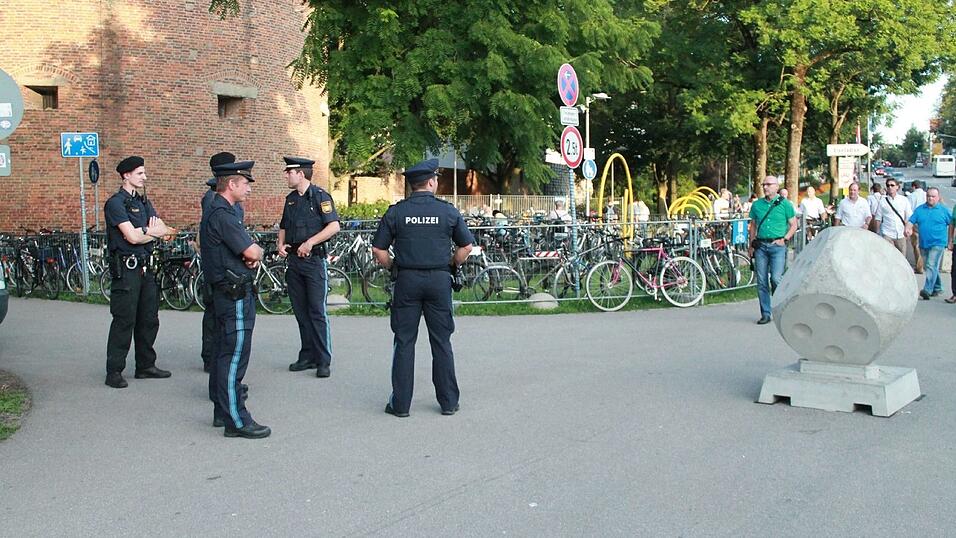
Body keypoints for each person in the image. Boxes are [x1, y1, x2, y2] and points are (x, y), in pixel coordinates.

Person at [371, 158, 474, 418]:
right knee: (441, 342)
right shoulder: (448, 211)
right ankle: (449, 402)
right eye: (436, 179)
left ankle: (401, 405)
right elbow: (466, 247)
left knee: (404, 341)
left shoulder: (396, 211)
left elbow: (378, 249)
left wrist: (393, 266)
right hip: (439, 281)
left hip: (406, 281)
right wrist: (451, 263)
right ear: (431, 182)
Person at [200, 160, 270, 438]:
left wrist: (246, 254)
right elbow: (253, 252)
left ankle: (222, 410)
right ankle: (236, 420)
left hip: (224, 290)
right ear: (231, 184)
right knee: (233, 356)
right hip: (234, 294)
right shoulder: (224, 214)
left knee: (222, 353)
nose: (248, 189)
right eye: (245, 184)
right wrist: (255, 254)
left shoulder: (215, 209)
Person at [103, 156, 174, 389]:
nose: (145, 177)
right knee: (124, 320)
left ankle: (145, 365)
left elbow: (164, 229)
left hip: (146, 267)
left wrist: (147, 231)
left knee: (149, 319)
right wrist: (150, 231)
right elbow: (132, 237)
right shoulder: (116, 204)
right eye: (140, 173)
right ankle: (114, 371)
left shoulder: (144, 203)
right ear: (126, 175)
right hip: (126, 269)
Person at [278, 156, 341, 377]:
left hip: (313, 261)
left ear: (301, 174)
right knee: (301, 312)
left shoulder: (320, 196)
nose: (286, 175)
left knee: (317, 312)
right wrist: (280, 243)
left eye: (289, 171)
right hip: (294, 261)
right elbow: (284, 225)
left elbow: (333, 226)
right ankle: (307, 355)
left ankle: (323, 360)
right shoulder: (291, 199)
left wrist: (310, 242)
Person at [199, 152, 241, 374]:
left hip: (226, 264)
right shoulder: (214, 199)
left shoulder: (224, 198)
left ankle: (216, 359)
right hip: (219, 266)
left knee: (220, 316)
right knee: (215, 314)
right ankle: (211, 358)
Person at [748, 175, 797, 325]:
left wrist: (785, 239)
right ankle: (766, 313)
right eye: (764, 184)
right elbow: (753, 226)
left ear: (776, 186)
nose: (765, 187)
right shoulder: (756, 205)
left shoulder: (785, 204)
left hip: (777, 246)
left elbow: (794, 224)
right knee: (762, 281)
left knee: (776, 278)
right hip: (761, 246)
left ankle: (780, 305)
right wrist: (750, 245)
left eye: (769, 184)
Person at [906, 187, 951, 300]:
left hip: (938, 242)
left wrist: (951, 240)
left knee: (931, 265)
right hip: (924, 243)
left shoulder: (944, 210)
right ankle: (937, 287)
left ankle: (927, 289)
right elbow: (911, 221)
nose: (930, 198)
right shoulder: (920, 209)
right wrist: (908, 228)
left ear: (938, 197)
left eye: (933, 196)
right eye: (928, 196)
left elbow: (952, 224)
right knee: (930, 266)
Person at [874, 178, 912, 257]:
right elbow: (878, 218)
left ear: (897, 187)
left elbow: (909, 216)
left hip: (901, 234)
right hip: (887, 233)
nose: (890, 187)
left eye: (892, 185)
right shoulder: (882, 201)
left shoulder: (904, 200)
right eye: (888, 185)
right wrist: (877, 232)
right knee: (888, 257)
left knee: (902, 258)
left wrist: (908, 229)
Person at [908, 180, 927, 273]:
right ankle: (925, 264)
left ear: (914, 187)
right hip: (926, 222)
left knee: (916, 245)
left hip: (915, 223)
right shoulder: (926, 195)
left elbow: (909, 212)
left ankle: (919, 266)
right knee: (925, 244)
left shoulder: (911, 196)